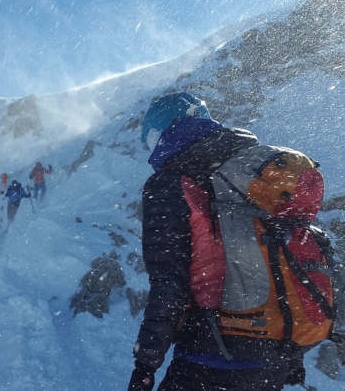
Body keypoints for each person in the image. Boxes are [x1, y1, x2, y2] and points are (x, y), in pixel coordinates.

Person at [128, 92, 311, 391]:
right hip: (274, 355)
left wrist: (145, 364)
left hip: (212, 352)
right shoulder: (251, 171)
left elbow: (169, 284)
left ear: (166, 130)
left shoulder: (170, 182)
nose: (152, 151)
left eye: (151, 139)